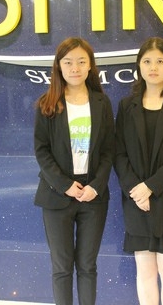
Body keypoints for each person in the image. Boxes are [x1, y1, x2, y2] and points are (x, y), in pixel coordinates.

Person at [33, 37, 114, 305]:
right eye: (68, 62)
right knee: (62, 267)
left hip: (93, 196)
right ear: (59, 66)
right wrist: (64, 184)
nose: (75, 68)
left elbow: (109, 150)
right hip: (57, 195)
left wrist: (96, 186)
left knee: (88, 266)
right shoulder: (47, 103)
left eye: (81, 61)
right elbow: (41, 151)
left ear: (90, 65)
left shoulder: (101, 103)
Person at [115, 37, 163, 305]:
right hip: (137, 199)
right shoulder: (126, 105)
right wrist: (137, 191)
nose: (153, 67)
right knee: (145, 270)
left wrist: (150, 187)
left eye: (160, 61)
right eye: (147, 61)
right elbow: (118, 153)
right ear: (139, 65)